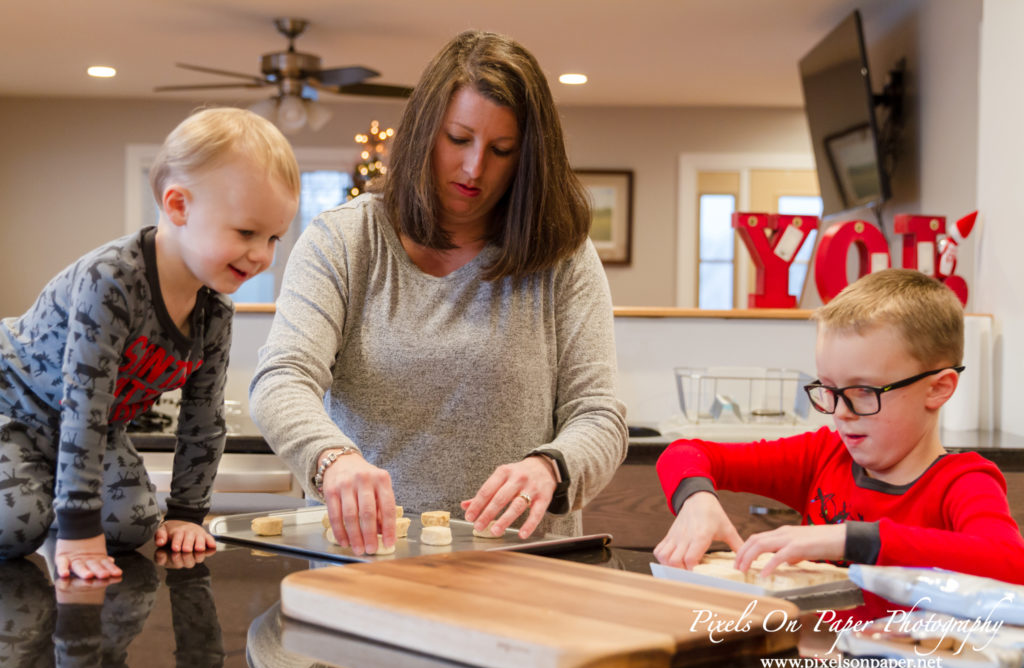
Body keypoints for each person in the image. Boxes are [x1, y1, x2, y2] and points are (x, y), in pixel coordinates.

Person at [250, 30, 628, 556]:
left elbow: (599, 416)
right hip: (368, 564)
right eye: (458, 139)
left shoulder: (562, 256)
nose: (475, 169)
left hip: (525, 568)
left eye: (501, 150)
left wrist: (551, 467)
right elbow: (281, 379)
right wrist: (332, 458)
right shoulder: (344, 241)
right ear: (426, 130)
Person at [0, 107, 300, 579]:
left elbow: (204, 420)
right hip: (16, 406)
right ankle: (44, 505)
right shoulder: (112, 280)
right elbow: (85, 404)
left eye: (273, 238)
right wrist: (79, 529)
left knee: (132, 525)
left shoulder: (214, 312)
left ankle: (51, 499)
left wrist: (186, 513)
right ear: (179, 206)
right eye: (246, 232)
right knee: (13, 528)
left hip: (92, 431)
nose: (262, 255)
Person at [654, 268, 1024, 584]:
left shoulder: (962, 482)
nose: (840, 412)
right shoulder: (823, 456)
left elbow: (1011, 563)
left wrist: (849, 539)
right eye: (829, 388)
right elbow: (686, 452)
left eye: (863, 391)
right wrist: (696, 500)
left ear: (938, 389)